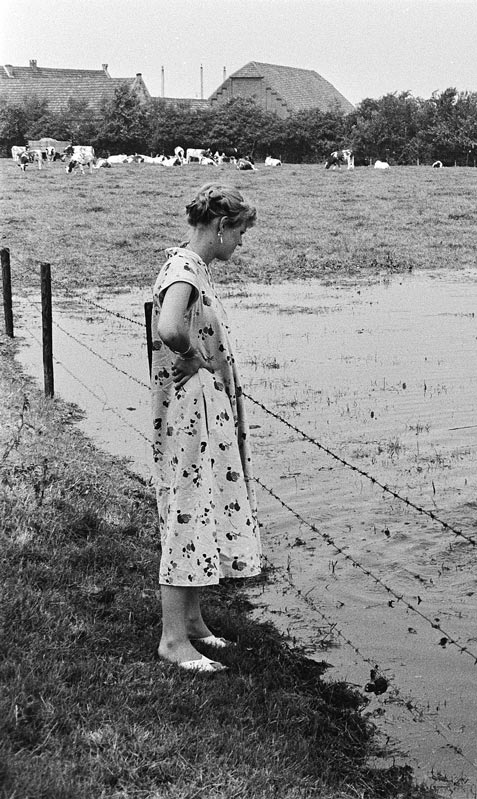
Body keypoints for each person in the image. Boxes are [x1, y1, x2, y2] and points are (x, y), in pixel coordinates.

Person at [150, 183, 261, 673]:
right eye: (239, 234)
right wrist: (193, 358)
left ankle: (193, 623)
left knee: (204, 503)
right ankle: (173, 641)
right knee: (189, 508)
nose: (240, 244)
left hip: (200, 405)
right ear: (220, 227)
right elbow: (170, 326)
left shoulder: (191, 268)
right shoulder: (184, 270)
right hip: (191, 408)